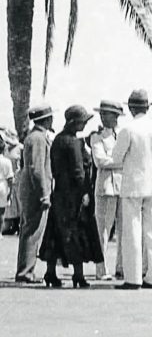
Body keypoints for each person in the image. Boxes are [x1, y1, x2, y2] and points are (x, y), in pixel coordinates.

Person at [38, 106, 104, 289]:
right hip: (73, 196)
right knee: (76, 234)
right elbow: (78, 171)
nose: (85, 125)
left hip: (59, 193)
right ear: (75, 122)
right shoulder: (73, 142)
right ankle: (78, 275)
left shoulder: (58, 140)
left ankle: (50, 272)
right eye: (83, 121)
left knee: (55, 234)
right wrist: (84, 192)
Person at [111, 90, 152, 290]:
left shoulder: (128, 130)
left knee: (132, 232)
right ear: (148, 106)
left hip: (132, 186)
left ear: (131, 108)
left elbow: (116, 157)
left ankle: (133, 277)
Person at [16, 105, 56, 284]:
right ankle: (26, 271)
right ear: (47, 120)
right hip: (35, 190)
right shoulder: (39, 138)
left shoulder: (33, 137)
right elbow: (37, 168)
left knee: (29, 230)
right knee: (33, 230)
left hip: (29, 188)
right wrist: (43, 194)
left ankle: (25, 269)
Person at [89, 100, 123, 280]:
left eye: (107, 113)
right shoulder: (97, 137)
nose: (103, 117)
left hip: (122, 187)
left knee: (123, 230)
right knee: (103, 230)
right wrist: (121, 162)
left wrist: (114, 161)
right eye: (102, 113)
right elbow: (100, 161)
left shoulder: (123, 135)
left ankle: (121, 267)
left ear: (116, 116)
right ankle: (101, 269)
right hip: (106, 188)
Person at [0, 142, 13, 231]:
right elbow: (10, 179)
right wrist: (10, 191)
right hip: (3, 185)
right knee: (1, 211)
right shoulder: (7, 161)